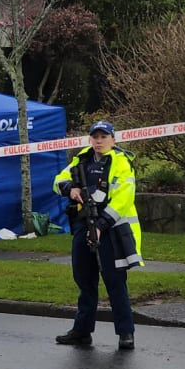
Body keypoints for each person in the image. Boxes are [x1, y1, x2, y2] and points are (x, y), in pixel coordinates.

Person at [52, 120, 142, 349]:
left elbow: (124, 198)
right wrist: (69, 189)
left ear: (113, 139)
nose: (99, 141)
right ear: (90, 139)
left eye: (104, 137)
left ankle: (125, 333)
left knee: (114, 281)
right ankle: (82, 331)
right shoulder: (82, 158)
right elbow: (59, 179)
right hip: (84, 224)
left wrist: (102, 224)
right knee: (84, 279)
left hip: (111, 227)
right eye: (96, 137)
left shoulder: (121, 162)